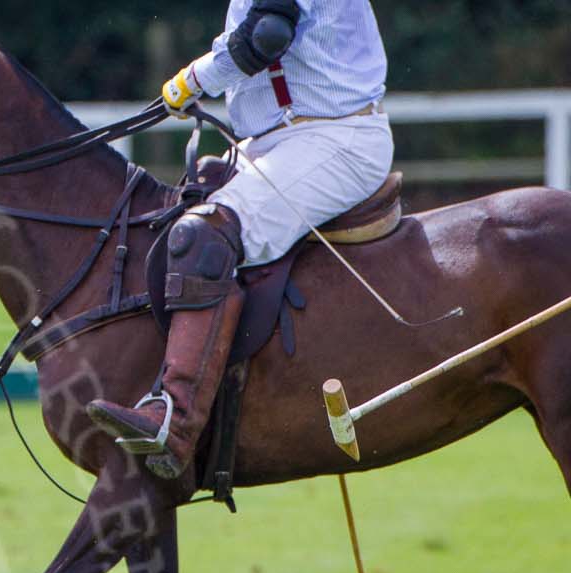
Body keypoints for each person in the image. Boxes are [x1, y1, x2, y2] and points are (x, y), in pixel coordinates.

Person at [88, 0, 393, 479]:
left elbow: (266, 35)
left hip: (335, 137)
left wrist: (192, 79)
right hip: (276, 140)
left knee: (205, 235)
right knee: (179, 214)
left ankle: (176, 419)